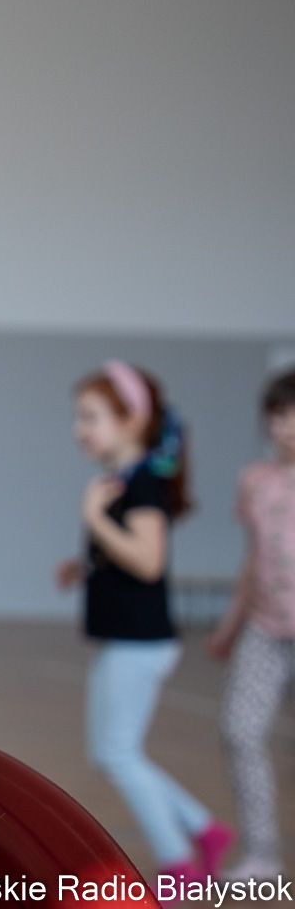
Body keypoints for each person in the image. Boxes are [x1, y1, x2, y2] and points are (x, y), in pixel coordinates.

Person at [55, 362, 230, 888]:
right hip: (127, 640)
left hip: (141, 643)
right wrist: (85, 564)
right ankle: (205, 830)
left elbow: (149, 562)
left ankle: (179, 864)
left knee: (118, 753)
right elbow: (127, 556)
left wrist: (95, 519)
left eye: (91, 417)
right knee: (112, 752)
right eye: (78, 417)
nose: (79, 429)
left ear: (132, 420)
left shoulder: (144, 485)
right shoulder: (122, 482)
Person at [208, 369, 295, 881]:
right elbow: (253, 560)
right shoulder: (256, 480)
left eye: (293, 415)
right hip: (264, 630)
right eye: (276, 415)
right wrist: (229, 626)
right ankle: (262, 853)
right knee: (239, 731)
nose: (283, 426)